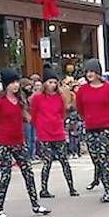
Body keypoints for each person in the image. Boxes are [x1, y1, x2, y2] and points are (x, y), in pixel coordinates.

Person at [0, 68, 51, 217]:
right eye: (12, 83)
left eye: (16, 82)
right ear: (6, 84)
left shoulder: (20, 100)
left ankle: (35, 204)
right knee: (5, 176)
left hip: (19, 141)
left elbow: (27, 117)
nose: (15, 86)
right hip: (3, 142)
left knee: (28, 173)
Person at [76, 59, 109, 202]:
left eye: (92, 71)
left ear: (98, 72)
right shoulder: (83, 90)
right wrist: (87, 119)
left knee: (104, 159)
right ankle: (105, 185)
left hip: (108, 128)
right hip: (91, 128)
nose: (89, 74)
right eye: (87, 72)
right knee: (96, 160)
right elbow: (80, 108)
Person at [30, 67, 79, 199]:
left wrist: (59, 124)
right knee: (47, 162)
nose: (52, 85)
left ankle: (71, 187)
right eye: (50, 82)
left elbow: (62, 113)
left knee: (64, 160)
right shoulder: (37, 98)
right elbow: (33, 115)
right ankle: (44, 188)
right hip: (44, 132)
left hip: (58, 131)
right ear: (45, 83)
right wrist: (39, 127)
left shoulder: (59, 97)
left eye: (54, 82)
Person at [19, 78, 37, 160]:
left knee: (33, 138)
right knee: (28, 138)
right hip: (25, 119)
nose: (30, 87)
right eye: (28, 85)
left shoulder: (31, 94)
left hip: (33, 117)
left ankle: (32, 155)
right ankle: (27, 156)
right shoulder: (21, 95)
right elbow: (23, 107)